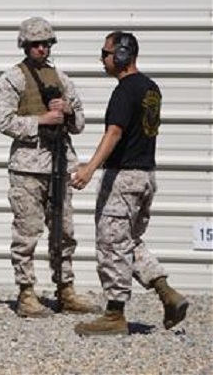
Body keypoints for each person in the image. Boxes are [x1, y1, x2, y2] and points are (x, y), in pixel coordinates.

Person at [73, 31, 189, 336]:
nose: (102, 59)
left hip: (123, 179)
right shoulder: (151, 88)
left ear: (122, 55)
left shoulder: (125, 90)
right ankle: (168, 294)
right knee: (130, 241)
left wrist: (89, 168)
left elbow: (114, 133)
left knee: (110, 244)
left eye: (106, 53)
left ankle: (114, 315)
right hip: (146, 176)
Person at [0, 17, 101, 318]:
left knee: (64, 232)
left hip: (58, 163)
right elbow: (4, 121)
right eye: (35, 44)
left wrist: (67, 112)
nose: (41, 49)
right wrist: (39, 121)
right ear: (25, 46)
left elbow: (79, 122)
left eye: (45, 44)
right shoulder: (12, 78)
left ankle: (65, 290)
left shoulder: (61, 78)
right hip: (28, 167)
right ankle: (26, 293)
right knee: (27, 232)